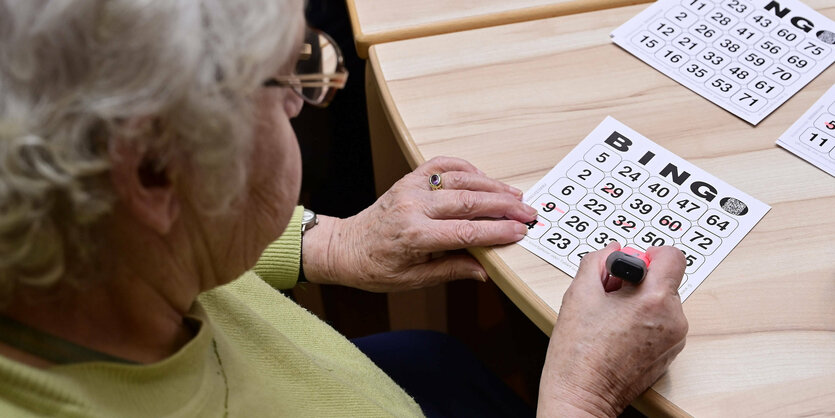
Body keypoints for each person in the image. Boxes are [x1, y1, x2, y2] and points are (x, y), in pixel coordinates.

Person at [0, 0, 688, 416]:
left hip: (353, 378)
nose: (306, 94)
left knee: (430, 359)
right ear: (153, 173)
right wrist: (579, 399)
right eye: (282, 79)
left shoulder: (76, 230)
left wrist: (323, 242)